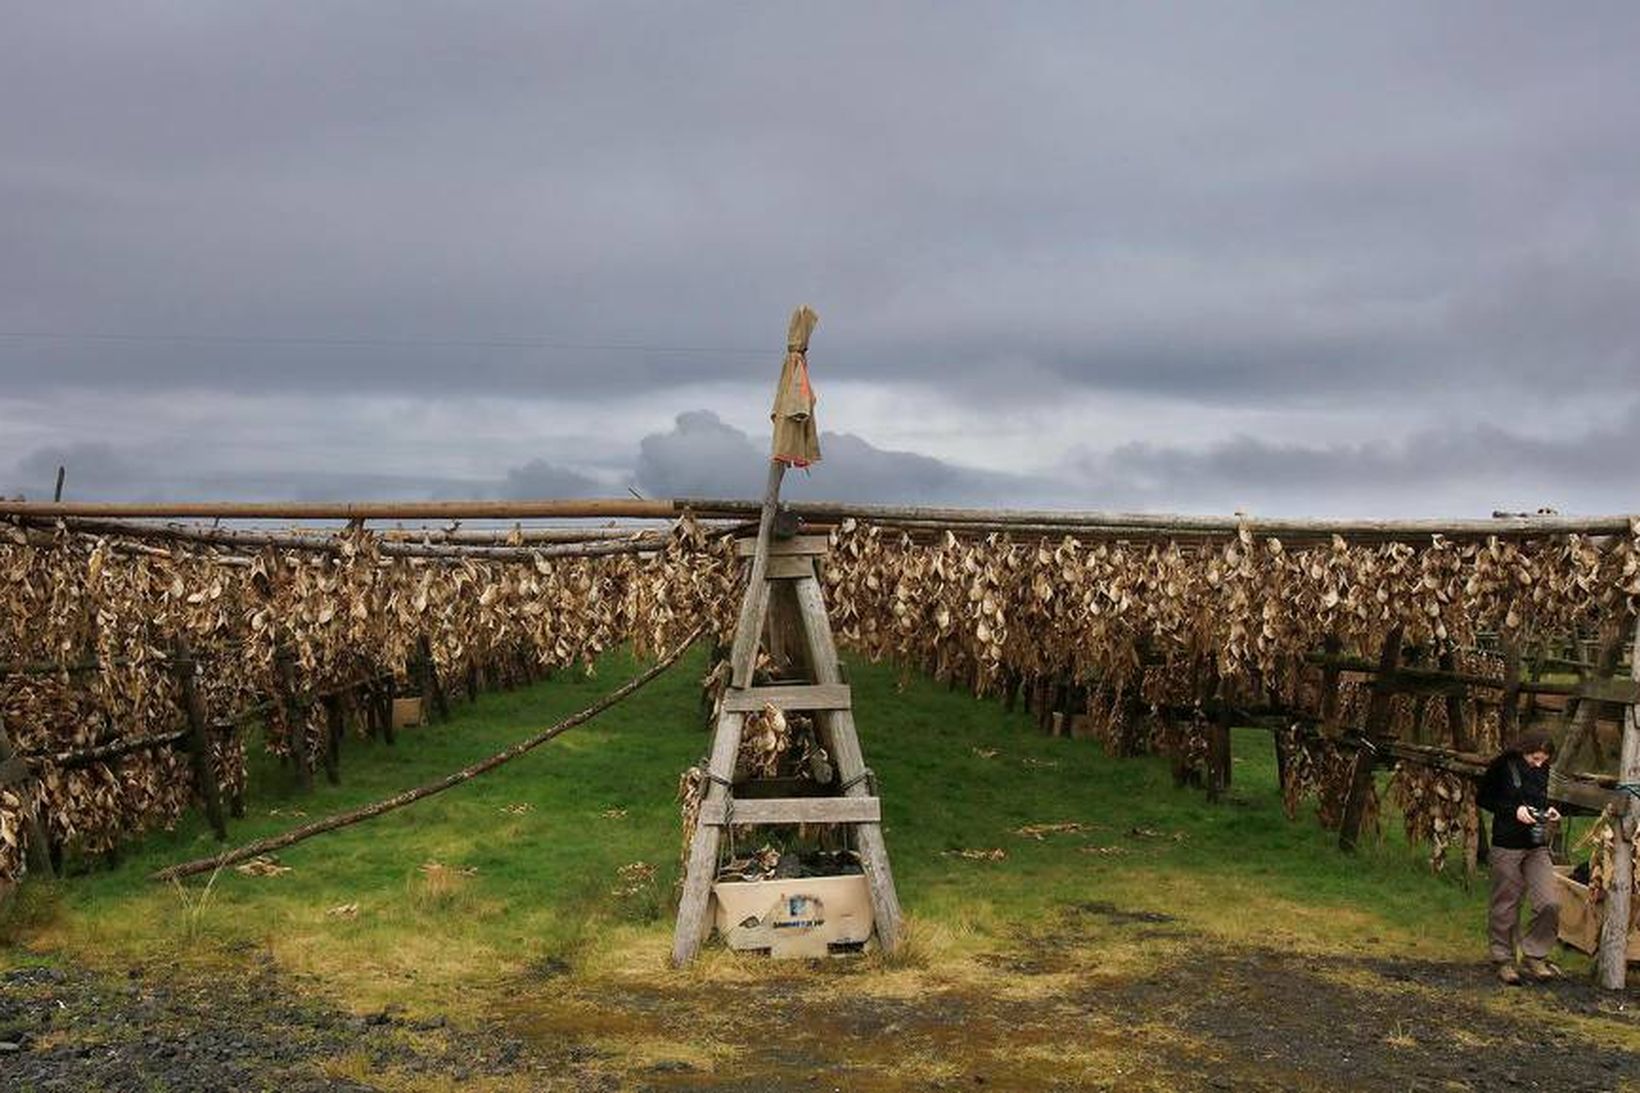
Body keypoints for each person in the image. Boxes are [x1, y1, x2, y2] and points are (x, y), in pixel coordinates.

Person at [1477, 729, 1562, 984]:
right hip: (1507, 844)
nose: (1539, 764)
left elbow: (1539, 798)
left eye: (1543, 760)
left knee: (1550, 901)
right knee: (1506, 903)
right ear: (1524, 750)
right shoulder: (1503, 766)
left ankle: (1535, 954)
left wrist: (1549, 812)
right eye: (1535, 758)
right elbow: (1484, 799)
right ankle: (1503, 959)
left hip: (1536, 845)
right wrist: (1514, 810)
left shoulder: (1542, 769)